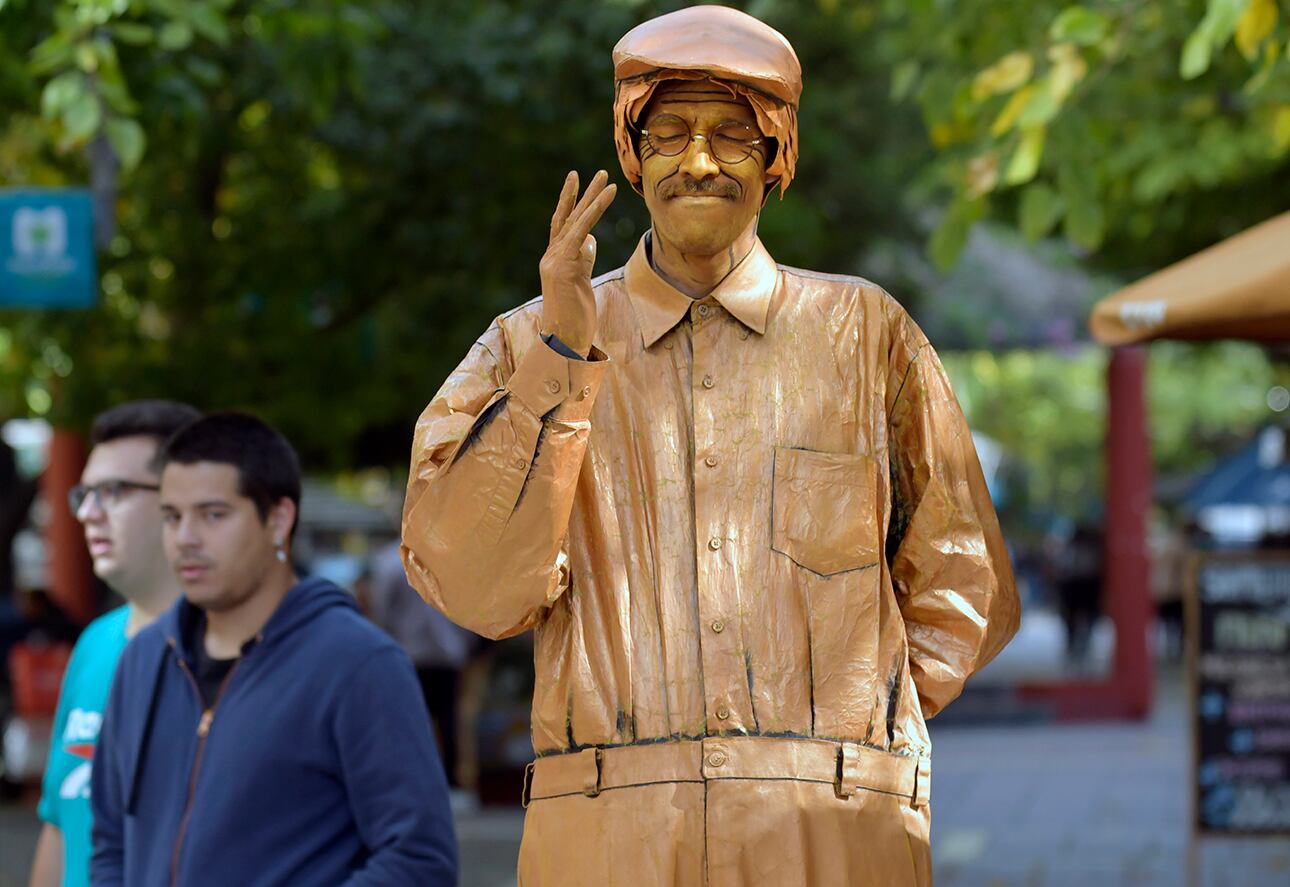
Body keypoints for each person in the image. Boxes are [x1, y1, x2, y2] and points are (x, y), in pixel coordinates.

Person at [402, 7, 1021, 885]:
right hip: (609, 835)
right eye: (670, 133)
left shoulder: (864, 332)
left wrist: (849, 722)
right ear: (632, 155)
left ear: (778, 159)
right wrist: (561, 360)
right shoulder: (527, 342)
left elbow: (967, 582)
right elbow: (472, 585)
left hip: (833, 832)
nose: (699, 161)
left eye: (735, 135)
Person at [91, 413, 457, 886]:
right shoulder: (143, 660)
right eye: (172, 517)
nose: (185, 539)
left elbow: (418, 861)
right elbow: (110, 844)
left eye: (212, 515)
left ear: (278, 519)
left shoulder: (358, 664)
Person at [28, 400, 199, 887]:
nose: (88, 513)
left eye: (114, 491)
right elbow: (59, 823)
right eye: (84, 494)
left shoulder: (240, 653)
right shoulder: (94, 645)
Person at [366, 539, 477, 788]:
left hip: (413, 652)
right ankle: (450, 782)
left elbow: (382, 610)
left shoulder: (391, 562)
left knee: (416, 720)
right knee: (447, 720)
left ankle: (420, 779)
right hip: (444, 652)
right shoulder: (450, 556)